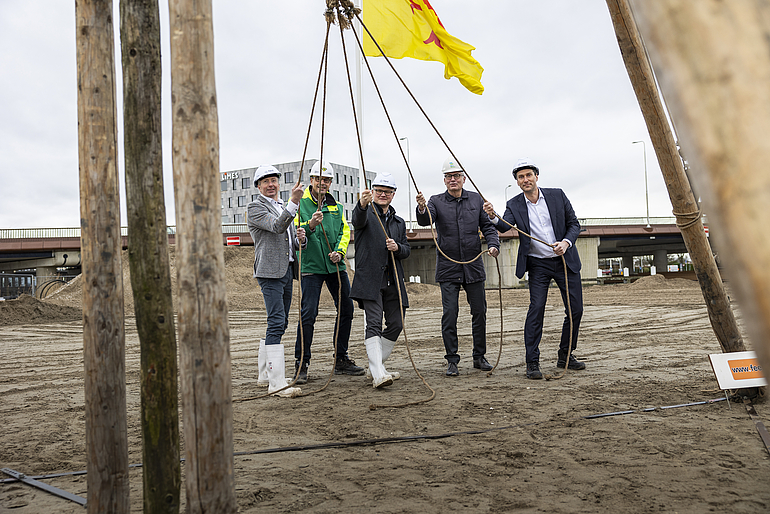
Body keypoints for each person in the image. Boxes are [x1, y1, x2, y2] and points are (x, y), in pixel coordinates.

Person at [483, 158, 585, 380]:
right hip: (538, 264)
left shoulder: (557, 195)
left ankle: (565, 355)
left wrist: (565, 243)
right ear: (518, 182)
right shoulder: (514, 204)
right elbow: (504, 225)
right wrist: (492, 215)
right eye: (521, 177)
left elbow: (574, 224)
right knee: (536, 308)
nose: (525, 179)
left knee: (575, 310)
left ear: (536, 177)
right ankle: (532, 361)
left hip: (565, 261)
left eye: (529, 175)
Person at [415, 157, 500, 376]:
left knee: (479, 312)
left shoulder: (476, 200)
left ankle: (479, 357)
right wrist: (422, 207)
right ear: (444, 180)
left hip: (473, 266)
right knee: (450, 314)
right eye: (448, 177)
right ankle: (452, 360)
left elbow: (489, 228)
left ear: (463, 178)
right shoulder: (435, 201)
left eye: (456, 176)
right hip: (448, 267)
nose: (453, 180)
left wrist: (493, 245)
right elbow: (426, 221)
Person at [293, 160, 364, 383]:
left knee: (347, 309)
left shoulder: (337, 206)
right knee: (308, 313)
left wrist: (340, 253)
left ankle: (340, 358)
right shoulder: (298, 204)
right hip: (311, 267)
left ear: (331, 182)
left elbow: (344, 232)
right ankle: (301, 363)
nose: (322, 183)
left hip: (335, 266)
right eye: (318, 179)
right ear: (311, 180)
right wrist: (311, 226)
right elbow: (296, 232)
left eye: (326, 180)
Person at [247, 164, 310, 398]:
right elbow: (276, 227)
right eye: (266, 181)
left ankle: (265, 374)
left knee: (280, 322)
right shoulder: (255, 208)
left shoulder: (282, 206)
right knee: (276, 322)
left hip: (285, 271)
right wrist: (294, 202)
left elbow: (288, 240)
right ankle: (276, 383)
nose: (271, 184)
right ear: (258, 186)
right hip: (269, 272)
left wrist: (299, 240)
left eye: (274, 180)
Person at [350, 172, 411, 388]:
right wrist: (362, 204)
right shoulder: (366, 214)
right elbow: (356, 220)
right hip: (370, 279)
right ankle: (377, 374)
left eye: (387, 192)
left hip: (392, 279)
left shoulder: (398, 222)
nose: (383, 195)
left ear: (393, 195)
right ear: (373, 193)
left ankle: (377, 366)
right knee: (373, 322)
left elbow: (406, 249)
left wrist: (398, 248)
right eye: (379, 191)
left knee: (396, 323)